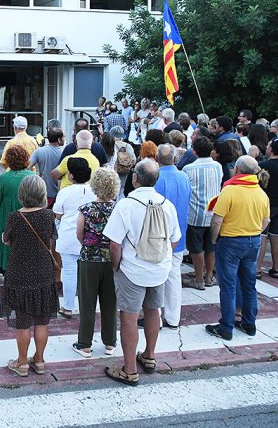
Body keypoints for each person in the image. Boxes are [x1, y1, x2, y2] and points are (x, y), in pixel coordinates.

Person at [102, 159, 181, 386]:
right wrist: (162, 259)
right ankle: (149, 356)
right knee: (153, 311)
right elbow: (174, 239)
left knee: (129, 315)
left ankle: (128, 370)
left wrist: (116, 267)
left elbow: (114, 244)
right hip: (160, 269)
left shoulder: (126, 205)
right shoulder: (167, 204)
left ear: (135, 178)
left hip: (132, 270)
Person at [0, 176, 59, 376]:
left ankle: (22, 363)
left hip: (19, 274)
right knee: (42, 320)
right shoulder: (48, 216)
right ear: (42, 194)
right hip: (43, 272)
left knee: (22, 322)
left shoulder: (15, 217)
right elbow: (52, 239)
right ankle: (39, 360)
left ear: (22, 195)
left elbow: (6, 240)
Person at [206, 156, 270, 341]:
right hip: (253, 240)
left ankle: (226, 326)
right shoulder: (260, 192)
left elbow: (217, 219)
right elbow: (266, 220)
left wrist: (214, 239)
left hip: (231, 240)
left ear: (237, 170)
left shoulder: (230, 190)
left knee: (228, 286)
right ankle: (249, 323)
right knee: (249, 285)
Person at [72, 168, 120, 358]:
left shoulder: (86, 209)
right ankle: (110, 343)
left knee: (87, 302)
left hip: (89, 260)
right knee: (110, 302)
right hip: (111, 260)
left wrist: (89, 246)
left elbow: (79, 233)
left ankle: (85, 344)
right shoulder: (119, 208)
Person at [152, 144, 191, 329]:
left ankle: (156, 317)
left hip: (157, 236)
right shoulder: (184, 177)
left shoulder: (156, 178)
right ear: (175, 159)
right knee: (174, 276)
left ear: (157, 159)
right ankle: (173, 318)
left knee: (157, 277)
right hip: (179, 234)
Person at [53, 157, 97, 319]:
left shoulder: (65, 192)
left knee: (70, 272)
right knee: (88, 274)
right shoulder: (94, 192)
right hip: (90, 238)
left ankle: (68, 307)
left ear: (70, 176)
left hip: (69, 237)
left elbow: (58, 215)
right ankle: (89, 306)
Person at [182, 136, 223, 290]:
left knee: (196, 248)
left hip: (196, 213)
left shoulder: (189, 168)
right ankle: (209, 276)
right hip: (213, 212)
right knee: (210, 246)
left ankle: (199, 279)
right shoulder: (217, 166)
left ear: (195, 151)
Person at [0, 145, 36, 270]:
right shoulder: (33, 176)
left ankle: (7, 269)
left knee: (7, 242)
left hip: (6, 215)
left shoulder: (3, 178)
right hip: (29, 214)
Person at [256, 140, 278, 278]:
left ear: (271, 149)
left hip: (266, 203)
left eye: (268, 146)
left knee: (262, 236)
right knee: (275, 236)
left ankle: (257, 269)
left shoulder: (264, 165)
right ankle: (276, 268)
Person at [30, 127, 64, 208]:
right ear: (59, 140)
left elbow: (28, 166)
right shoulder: (63, 153)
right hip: (59, 193)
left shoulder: (39, 151)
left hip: (43, 192)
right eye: (63, 137)